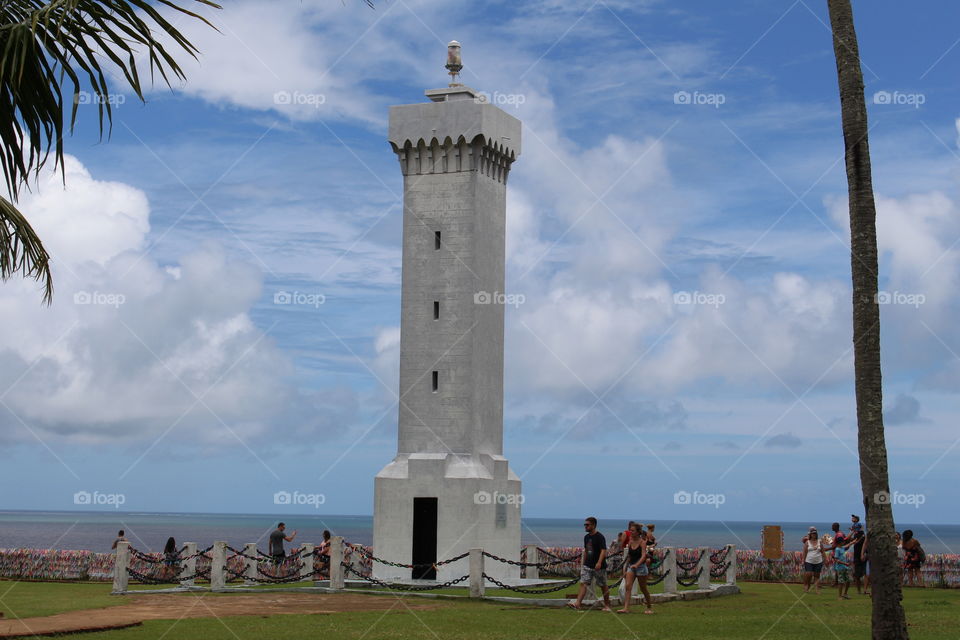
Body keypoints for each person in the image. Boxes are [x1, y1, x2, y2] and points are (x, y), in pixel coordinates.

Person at [568, 517, 611, 612]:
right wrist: (583, 563)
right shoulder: (586, 537)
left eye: (587, 525)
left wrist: (599, 562)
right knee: (583, 584)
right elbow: (586, 550)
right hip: (588, 565)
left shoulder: (600, 537)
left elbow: (603, 550)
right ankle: (578, 604)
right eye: (585, 525)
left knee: (603, 585)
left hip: (599, 566)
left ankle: (607, 605)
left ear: (593, 525)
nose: (585, 526)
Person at [617, 523, 653, 615]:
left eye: (632, 531)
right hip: (631, 566)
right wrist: (625, 568)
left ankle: (649, 606)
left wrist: (637, 565)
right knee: (628, 586)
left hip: (641, 567)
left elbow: (643, 556)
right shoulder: (630, 542)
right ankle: (626, 608)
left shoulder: (642, 542)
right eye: (630, 530)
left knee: (643, 588)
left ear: (637, 532)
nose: (631, 532)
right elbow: (629, 556)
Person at [801, 526, 824, 594]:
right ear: (810, 534)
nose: (814, 534)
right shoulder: (807, 542)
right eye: (812, 533)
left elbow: (822, 551)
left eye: (815, 533)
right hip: (809, 561)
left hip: (818, 561)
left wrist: (825, 559)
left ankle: (817, 590)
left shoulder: (819, 541)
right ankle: (806, 586)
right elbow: (805, 552)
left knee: (817, 576)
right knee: (809, 574)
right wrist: (803, 560)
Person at [850, 517, 866, 594]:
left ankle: (863, 590)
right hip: (857, 556)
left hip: (863, 556)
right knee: (857, 575)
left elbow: (857, 542)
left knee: (865, 574)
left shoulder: (861, 535)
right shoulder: (856, 534)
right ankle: (859, 590)